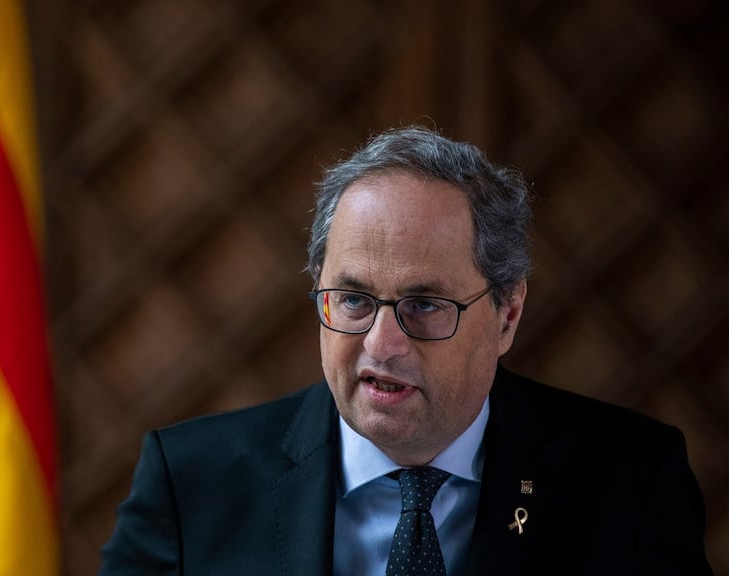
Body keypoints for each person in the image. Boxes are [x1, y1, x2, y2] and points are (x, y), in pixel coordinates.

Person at [98, 126, 713, 575]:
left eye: (424, 305)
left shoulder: (632, 482)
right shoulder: (190, 484)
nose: (381, 345)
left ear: (508, 314)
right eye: (355, 299)